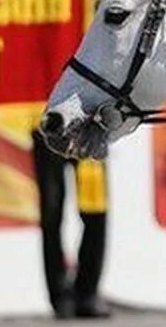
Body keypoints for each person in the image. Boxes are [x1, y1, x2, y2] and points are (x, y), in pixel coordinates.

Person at [32, 115, 110, 319]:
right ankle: (59, 295)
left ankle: (88, 291)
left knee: (95, 208)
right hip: (46, 120)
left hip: (89, 124)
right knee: (51, 212)